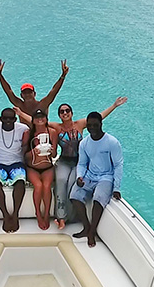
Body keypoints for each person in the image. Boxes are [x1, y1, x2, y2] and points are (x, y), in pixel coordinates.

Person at [50, 97, 128, 229]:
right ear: (59, 115)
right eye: (62, 111)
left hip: (78, 162)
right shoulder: (56, 127)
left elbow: (98, 118)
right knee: (61, 181)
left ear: (71, 112)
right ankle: (61, 216)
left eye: (67, 110)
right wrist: (20, 114)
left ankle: (71, 216)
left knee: (71, 184)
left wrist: (114, 106)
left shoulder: (79, 124)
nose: (65, 113)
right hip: (63, 161)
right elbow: (38, 122)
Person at [70, 112, 123, 247]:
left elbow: (118, 165)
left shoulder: (112, 142)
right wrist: (79, 177)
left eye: (95, 125)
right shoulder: (84, 143)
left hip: (106, 177)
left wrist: (116, 188)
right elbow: (81, 164)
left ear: (101, 124)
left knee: (98, 198)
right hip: (90, 175)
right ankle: (86, 227)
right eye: (89, 125)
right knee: (74, 196)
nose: (92, 128)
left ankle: (92, 232)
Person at [0, 108, 29, 233]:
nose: (8, 121)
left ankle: (15, 214)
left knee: (20, 181)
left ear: (15, 119)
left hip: (17, 163)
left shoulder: (23, 128)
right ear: (1, 118)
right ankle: (5, 215)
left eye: (11, 118)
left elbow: (28, 144)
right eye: (5, 118)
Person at [0, 59, 69, 119]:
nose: (27, 94)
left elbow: (54, 91)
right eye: (25, 93)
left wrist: (63, 75)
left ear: (34, 94)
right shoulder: (20, 105)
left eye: (29, 92)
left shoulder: (42, 104)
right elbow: (8, 91)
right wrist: (0, 75)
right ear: (21, 95)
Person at [23, 109, 58, 230]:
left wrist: (52, 151)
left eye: (42, 117)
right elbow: (24, 155)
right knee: (38, 186)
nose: (40, 120)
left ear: (46, 119)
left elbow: (54, 155)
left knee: (47, 186)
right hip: (32, 167)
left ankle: (47, 213)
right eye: (37, 117)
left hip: (47, 166)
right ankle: (38, 213)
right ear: (33, 121)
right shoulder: (28, 134)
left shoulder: (52, 132)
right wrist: (33, 152)